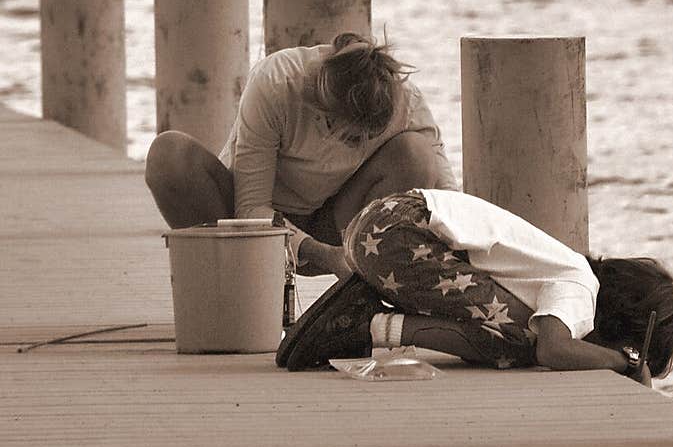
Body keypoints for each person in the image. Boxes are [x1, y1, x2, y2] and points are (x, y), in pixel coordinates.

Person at [276, 186, 673, 383]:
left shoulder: (562, 266)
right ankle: (364, 325)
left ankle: (363, 317)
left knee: (513, 328)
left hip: (379, 225)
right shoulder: (579, 283)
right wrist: (624, 364)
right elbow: (554, 348)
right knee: (520, 340)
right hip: (402, 234)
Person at [145, 33, 458, 278]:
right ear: (323, 110)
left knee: (418, 155)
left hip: (337, 224)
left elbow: (449, 195)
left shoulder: (407, 98)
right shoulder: (276, 82)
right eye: (351, 137)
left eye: (369, 138)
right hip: (247, 229)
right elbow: (250, 207)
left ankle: (364, 294)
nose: (360, 143)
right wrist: (322, 254)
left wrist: (471, 254)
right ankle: (235, 286)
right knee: (168, 155)